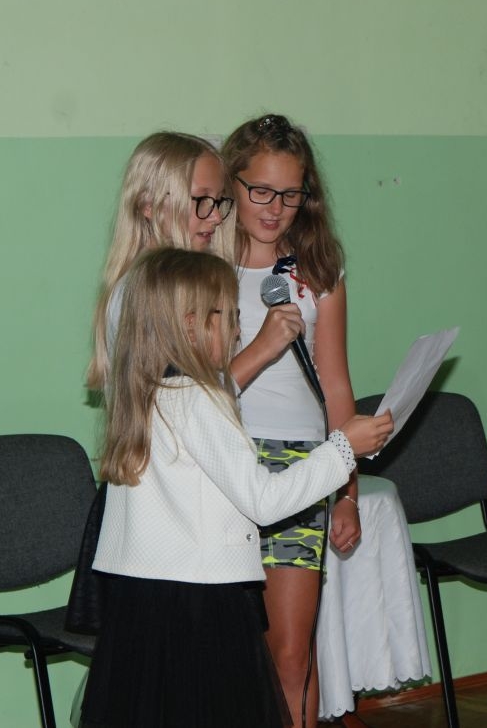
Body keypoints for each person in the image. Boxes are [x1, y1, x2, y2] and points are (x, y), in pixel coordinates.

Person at [79, 247, 393, 728]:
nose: (238, 329)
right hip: (200, 607)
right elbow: (263, 501)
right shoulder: (200, 400)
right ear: (191, 325)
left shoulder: (142, 393)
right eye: (228, 315)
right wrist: (343, 449)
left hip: (141, 607)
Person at [218, 113, 359, 728]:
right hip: (224, 463)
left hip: (303, 466)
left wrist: (346, 493)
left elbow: (337, 386)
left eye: (291, 194)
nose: (275, 209)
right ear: (230, 183)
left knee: (292, 650)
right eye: (261, 191)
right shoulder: (203, 270)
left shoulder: (317, 273)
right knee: (226, 651)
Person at [87, 131, 298, 393]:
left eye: (218, 201)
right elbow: (180, 404)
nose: (216, 217)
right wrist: (262, 350)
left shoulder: (171, 286)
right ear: (148, 204)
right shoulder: (144, 293)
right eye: (202, 200)